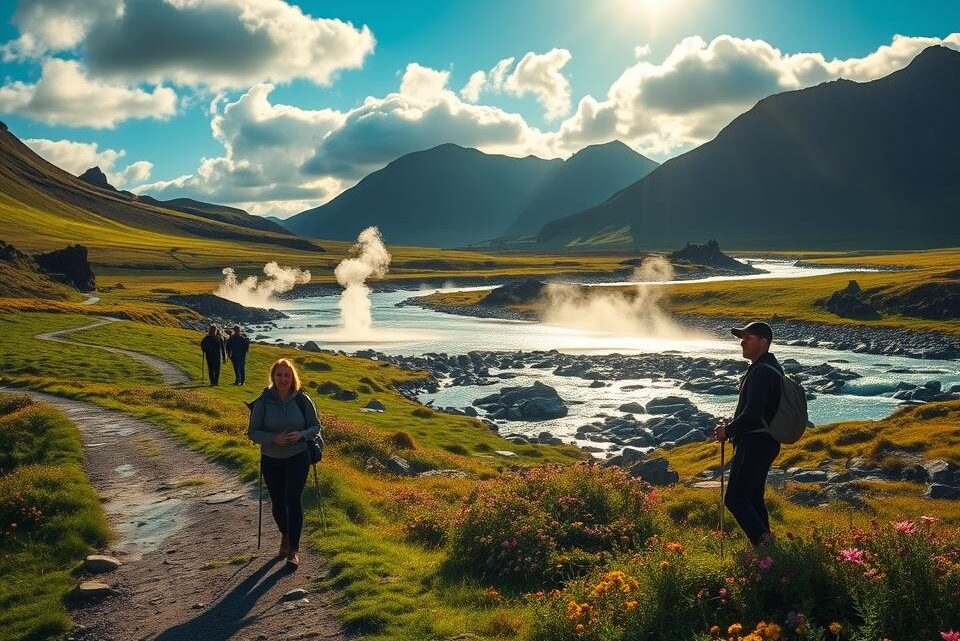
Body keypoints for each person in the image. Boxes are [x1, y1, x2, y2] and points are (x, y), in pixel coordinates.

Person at [247, 358, 321, 569]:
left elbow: (316, 426)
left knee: (292, 498)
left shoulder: (302, 399)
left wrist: (301, 434)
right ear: (273, 376)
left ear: (292, 377)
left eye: (286, 375)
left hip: (298, 455)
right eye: (279, 375)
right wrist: (273, 439)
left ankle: (294, 550)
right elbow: (252, 432)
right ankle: (285, 535)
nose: (282, 379)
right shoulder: (263, 401)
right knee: (278, 503)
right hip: (272, 458)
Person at [714, 321, 782, 547]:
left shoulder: (761, 372)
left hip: (754, 443)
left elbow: (753, 414)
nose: (742, 342)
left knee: (735, 498)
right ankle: (769, 550)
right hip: (766, 442)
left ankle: (764, 545)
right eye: (742, 338)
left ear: (764, 342)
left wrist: (728, 430)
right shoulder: (769, 368)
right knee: (752, 497)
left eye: (748, 338)